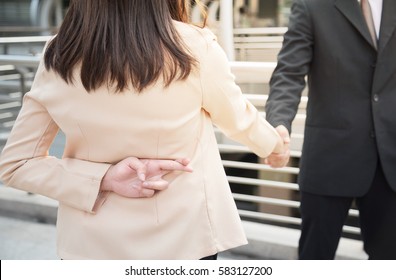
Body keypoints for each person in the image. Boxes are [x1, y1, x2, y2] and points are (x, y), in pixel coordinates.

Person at [0, 0, 287, 260]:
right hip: (183, 240)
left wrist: (102, 179)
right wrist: (274, 147)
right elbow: (238, 118)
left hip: (89, 248)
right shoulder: (194, 46)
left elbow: (17, 163)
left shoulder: (59, 53)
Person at [265, 0, 396, 259]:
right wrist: (279, 123)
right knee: (316, 258)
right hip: (330, 158)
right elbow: (289, 74)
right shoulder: (311, 5)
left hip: (390, 160)